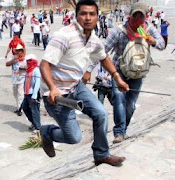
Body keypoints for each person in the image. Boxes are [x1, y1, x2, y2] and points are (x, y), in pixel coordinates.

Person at [40, 0, 128, 166]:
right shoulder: (64, 36)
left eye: (92, 14)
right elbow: (44, 65)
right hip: (57, 96)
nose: (88, 18)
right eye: (83, 13)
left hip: (76, 87)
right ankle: (47, 132)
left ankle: (101, 154)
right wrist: (52, 88)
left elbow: (103, 57)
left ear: (97, 17)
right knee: (73, 138)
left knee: (101, 113)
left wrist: (117, 77)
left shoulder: (93, 39)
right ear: (76, 16)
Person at [83, 2, 165, 144]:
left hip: (138, 73)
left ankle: (123, 129)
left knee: (130, 105)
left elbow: (162, 44)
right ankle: (119, 133)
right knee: (119, 100)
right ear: (129, 16)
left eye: (141, 17)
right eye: (135, 16)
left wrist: (152, 41)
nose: (137, 20)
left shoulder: (148, 30)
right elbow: (102, 51)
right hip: (119, 72)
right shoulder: (119, 31)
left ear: (145, 18)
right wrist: (89, 69)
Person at [6, 44, 26, 116]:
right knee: (15, 93)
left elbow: (30, 67)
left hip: (22, 78)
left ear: (22, 51)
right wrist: (14, 60)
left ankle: (21, 109)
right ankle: (18, 107)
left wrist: (22, 68)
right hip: (14, 78)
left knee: (21, 93)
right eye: (17, 51)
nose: (18, 52)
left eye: (19, 51)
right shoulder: (13, 57)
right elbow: (7, 64)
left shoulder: (25, 59)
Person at [22, 54, 41, 132]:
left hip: (33, 94)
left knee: (34, 110)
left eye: (29, 60)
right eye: (27, 61)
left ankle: (38, 128)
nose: (28, 62)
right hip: (27, 93)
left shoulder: (36, 70)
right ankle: (33, 122)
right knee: (25, 107)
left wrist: (34, 94)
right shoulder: (28, 69)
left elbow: (37, 83)